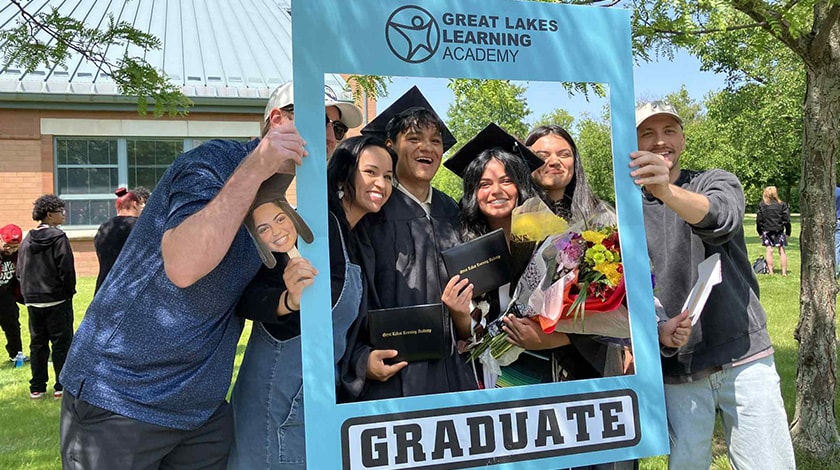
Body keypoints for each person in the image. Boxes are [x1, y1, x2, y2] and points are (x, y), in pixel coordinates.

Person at [57, 83, 308, 469]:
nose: (330, 135)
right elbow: (184, 265)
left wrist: (289, 298)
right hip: (122, 398)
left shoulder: (285, 205)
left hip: (202, 413)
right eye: (318, 119)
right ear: (278, 121)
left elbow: (245, 294)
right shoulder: (213, 163)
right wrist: (258, 167)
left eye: (338, 129)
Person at [630, 101, 795, 469]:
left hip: (744, 356)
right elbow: (634, 289)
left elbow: (722, 218)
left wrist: (666, 193)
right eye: (648, 133)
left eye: (669, 131)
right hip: (680, 370)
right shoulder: (626, 211)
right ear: (634, 143)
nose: (660, 142)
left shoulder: (715, 181)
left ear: (683, 139)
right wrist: (658, 330)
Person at [228, 136, 396, 469]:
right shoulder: (311, 228)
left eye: (389, 176)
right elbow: (248, 297)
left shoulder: (354, 234)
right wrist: (287, 300)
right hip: (277, 391)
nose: (381, 183)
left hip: (312, 394)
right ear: (344, 175)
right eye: (371, 172)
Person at [347, 86, 477, 400]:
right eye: (415, 139)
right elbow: (348, 297)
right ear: (390, 147)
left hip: (453, 373)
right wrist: (360, 358)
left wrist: (465, 322)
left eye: (435, 140)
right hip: (391, 374)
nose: (427, 147)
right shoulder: (370, 214)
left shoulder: (454, 211)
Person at [441, 122, 545, 388]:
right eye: (484, 184)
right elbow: (467, 333)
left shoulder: (547, 237)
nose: (496, 191)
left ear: (521, 185)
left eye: (506, 181)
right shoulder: (462, 245)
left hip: (547, 365)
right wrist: (460, 313)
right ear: (474, 193)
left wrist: (544, 338)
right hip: (488, 374)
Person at [16, 195, 75, 400]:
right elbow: (66, 270)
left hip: (33, 300)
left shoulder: (27, 239)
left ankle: (37, 388)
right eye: (60, 210)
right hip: (57, 299)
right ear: (50, 214)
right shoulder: (59, 238)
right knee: (61, 343)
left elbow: (19, 270)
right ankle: (61, 386)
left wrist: (27, 293)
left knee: (38, 344)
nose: (63, 214)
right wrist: (68, 292)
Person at [261, 82, 363, 157]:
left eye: (338, 129)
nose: (331, 139)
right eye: (319, 122)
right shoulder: (246, 165)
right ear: (277, 120)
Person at [93, 187, 143, 293]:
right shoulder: (140, 226)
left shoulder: (104, 227)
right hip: (130, 289)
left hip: (104, 287)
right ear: (135, 204)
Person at [0, 224, 26, 364]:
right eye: (7, 245)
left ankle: (16, 354)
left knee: (12, 325)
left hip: (5, 294)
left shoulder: (18, 254)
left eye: (15, 247)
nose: (10, 250)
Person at [756, 186, 792, 276]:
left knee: (769, 250)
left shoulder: (762, 205)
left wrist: (760, 232)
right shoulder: (782, 204)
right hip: (779, 230)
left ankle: (770, 271)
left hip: (767, 230)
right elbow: (787, 220)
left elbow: (759, 220)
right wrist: (788, 232)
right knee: (782, 251)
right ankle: (784, 272)